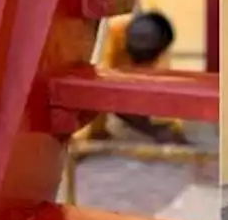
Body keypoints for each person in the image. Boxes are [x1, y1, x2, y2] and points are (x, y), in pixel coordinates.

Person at [76, 9, 187, 145]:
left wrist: (172, 126)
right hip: (108, 74)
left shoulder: (157, 43)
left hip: (129, 78)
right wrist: (85, 135)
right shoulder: (111, 31)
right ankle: (96, 132)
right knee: (100, 88)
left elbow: (167, 90)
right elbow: (98, 84)